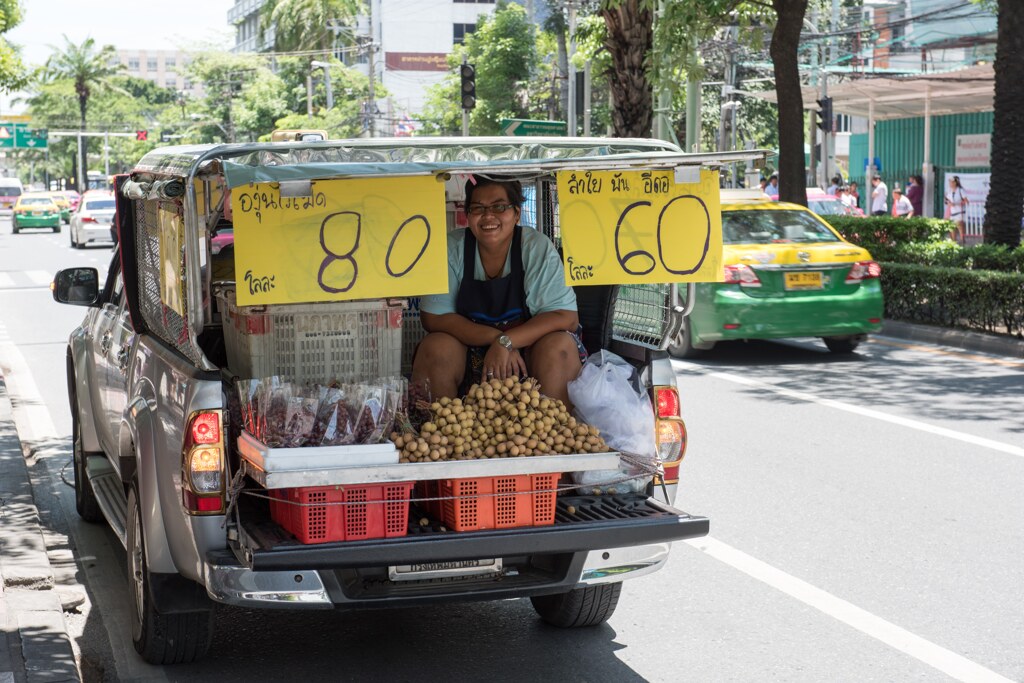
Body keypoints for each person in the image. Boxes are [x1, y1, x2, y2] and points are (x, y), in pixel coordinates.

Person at [412, 177, 586, 409]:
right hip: (472, 356)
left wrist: (509, 342)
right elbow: (433, 317)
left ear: (516, 213)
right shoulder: (452, 249)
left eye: (499, 206)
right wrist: (498, 341)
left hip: (528, 355)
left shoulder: (535, 248)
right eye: (478, 208)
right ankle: (440, 432)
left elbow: (566, 316)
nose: (488, 216)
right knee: (435, 346)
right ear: (468, 214)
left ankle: (558, 434)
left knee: (560, 346)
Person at [945, 175, 968, 244]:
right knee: (951, 227)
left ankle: (962, 241)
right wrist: (948, 203)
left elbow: (966, 201)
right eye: (949, 182)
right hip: (952, 212)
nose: (950, 184)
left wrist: (957, 204)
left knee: (960, 226)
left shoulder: (961, 190)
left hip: (960, 212)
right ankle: (953, 242)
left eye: (951, 182)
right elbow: (946, 200)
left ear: (955, 183)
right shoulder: (949, 191)